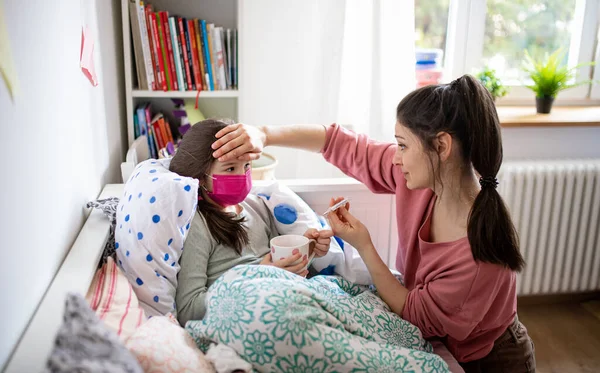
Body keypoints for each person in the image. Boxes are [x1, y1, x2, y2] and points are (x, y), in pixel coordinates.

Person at [210, 75, 536, 372]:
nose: (395, 157)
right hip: (442, 340)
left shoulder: (478, 257)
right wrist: (264, 134)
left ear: (441, 147)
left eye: (403, 145)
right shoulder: (420, 179)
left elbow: (415, 313)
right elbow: (339, 143)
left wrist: (363, 244)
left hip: (489, 360)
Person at [169, 119, 333, 326]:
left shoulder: (257, 206)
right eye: (230, 169)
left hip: (288, 299)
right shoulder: (197, 225)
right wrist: (257, 276)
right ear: (201, 177)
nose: (242, 175)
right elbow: (188, 310)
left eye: (246, 165)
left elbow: (281, 269)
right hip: (250, 320)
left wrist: (309, 250)